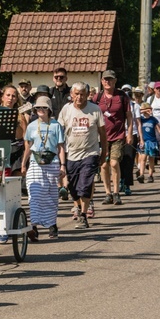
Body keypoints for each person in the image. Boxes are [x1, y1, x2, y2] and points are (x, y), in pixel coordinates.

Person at [58, 82, 106, 230]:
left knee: (85, 184)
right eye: (76, 94)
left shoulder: (95, 109)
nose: (79, 97)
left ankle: (84, 215)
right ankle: (78, 207)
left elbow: (103, 134)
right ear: (72, 95)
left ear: (87, 95)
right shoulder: (66, 110)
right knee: (73, 188)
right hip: (71, 154)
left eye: (82, 94)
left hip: (90, 152)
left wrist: (104, 152)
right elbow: (59, 131)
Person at [21, 96, 66, 239]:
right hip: (35, 162)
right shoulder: (31, 126)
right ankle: (33, 225)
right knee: (34, 193)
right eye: (38, 108)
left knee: (51, 195)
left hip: (52, 162)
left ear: (49, 110)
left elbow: (60, 147)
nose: (41, 110)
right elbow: (28, 146)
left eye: (44, 108)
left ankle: (51, 224)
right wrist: (23, 163)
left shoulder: (56, 125)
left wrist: (63, 165)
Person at [94, 70, 132, 205]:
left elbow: (129, 116)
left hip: (118, 135)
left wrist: (129, 133)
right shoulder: (97, 98)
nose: (107, 82)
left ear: (115, 81)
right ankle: (107, 193)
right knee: (103, 165)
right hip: (101, 136)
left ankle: (116, 193)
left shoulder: (122, 96)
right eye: (105, 79)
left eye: (110, 79)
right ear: (102, 81)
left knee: (114, 163)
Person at [137, 103, 160, 183]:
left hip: (152, 141)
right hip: (144, 140)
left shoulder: (153, 119)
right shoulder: (141, 119)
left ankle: (150, 175)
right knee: (143, 158)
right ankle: (141, 174)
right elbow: (137, 112)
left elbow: (159, 129)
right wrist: (144, 110)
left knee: (151, 159)